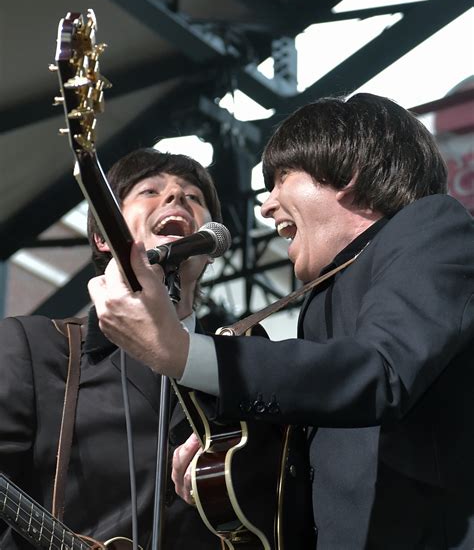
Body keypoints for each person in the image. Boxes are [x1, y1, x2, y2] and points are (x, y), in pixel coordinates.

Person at [89, 94, 474, 549]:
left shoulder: (432, 226)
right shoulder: (320, 302)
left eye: (279, 181)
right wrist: (234, 448)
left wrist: (181, 350)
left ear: (345, 175)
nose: (266, 206)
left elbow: (379, 371)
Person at [0, 148, 222, 549]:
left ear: (209, 250)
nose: (176, 197)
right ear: (103, 237)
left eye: (195, 197)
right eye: (150, 190)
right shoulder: (32, 348)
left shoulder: (240, 369)